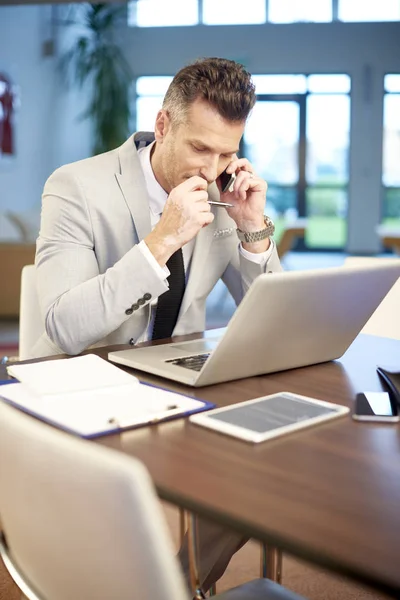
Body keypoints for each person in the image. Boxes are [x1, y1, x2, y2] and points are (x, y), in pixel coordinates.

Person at [33, 57, 283, 592]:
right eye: (199, 148)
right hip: (74, 385)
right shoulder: (75, 185)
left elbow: (271, 318)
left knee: (263, 469)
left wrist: (253, 231)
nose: (212, 169)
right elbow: (64, 326)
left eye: (226, 152)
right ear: (163, 126)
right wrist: (161, 240)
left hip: (169, 384)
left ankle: (173, 585)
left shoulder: (224, 196)